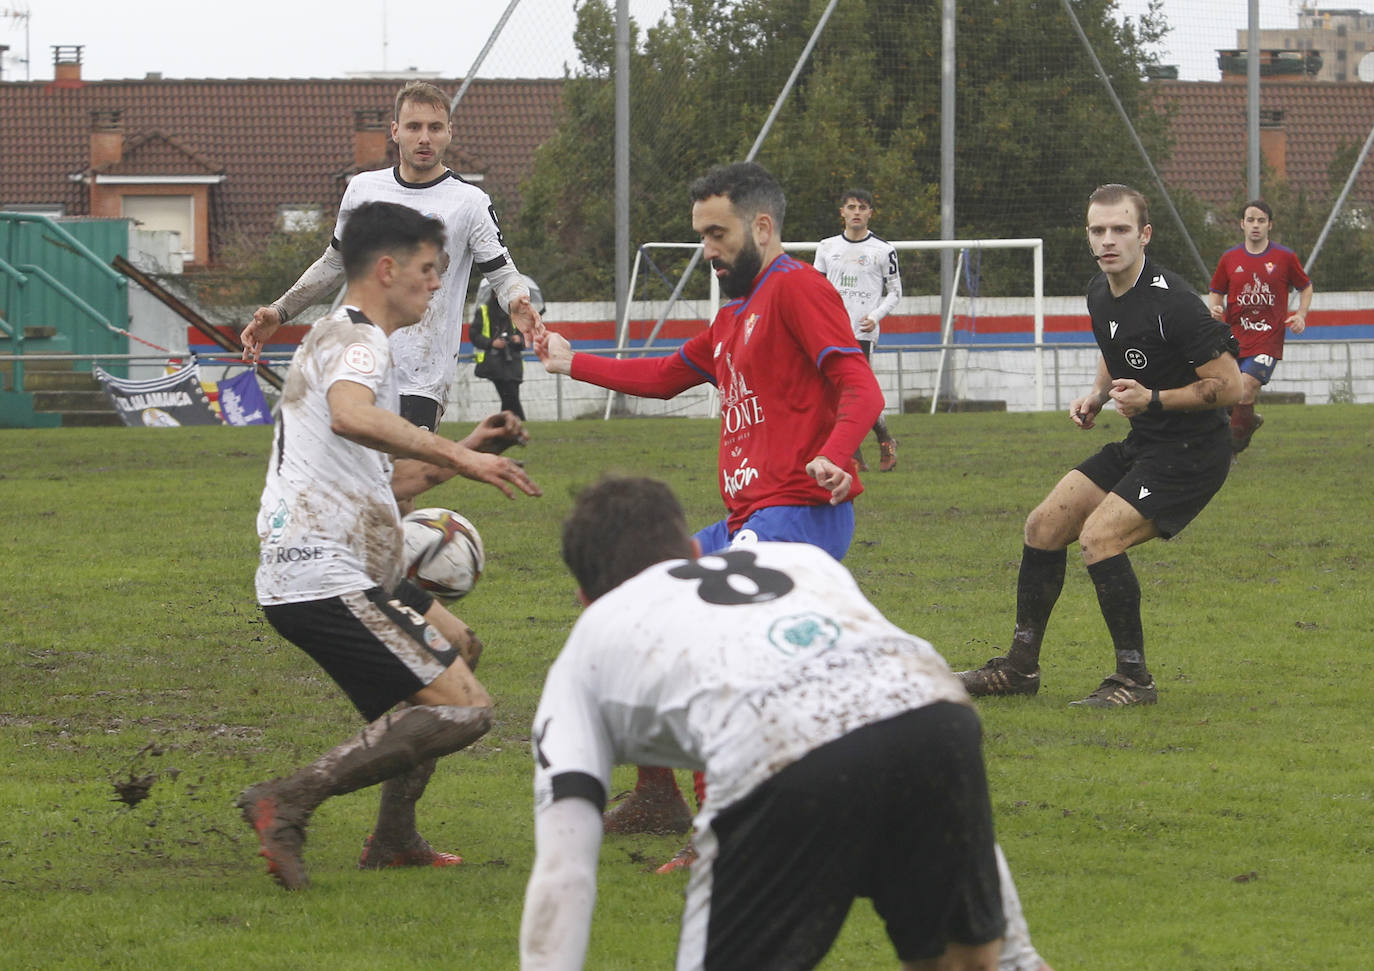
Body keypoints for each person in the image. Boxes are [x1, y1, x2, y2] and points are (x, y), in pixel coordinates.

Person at [520, 476, 1051, 971]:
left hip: (782, 752)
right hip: (935, 714)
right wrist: (1016, 951)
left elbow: (564, 870)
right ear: (693, 548)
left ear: (585, 597)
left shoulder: (584, 648)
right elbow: (887, 710)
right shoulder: (798, 560)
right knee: (971, 960)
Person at [534, 160, 884, 838]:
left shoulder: (798, 289)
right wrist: (568, 360)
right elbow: (667, 375)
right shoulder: (735, 315)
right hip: (749, 517)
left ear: (761, 225)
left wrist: (835, 456)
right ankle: (659, 796)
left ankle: (720, 828)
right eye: (701, 235)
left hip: (798, 516)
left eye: (717, 234)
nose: (708, 250)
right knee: (630, 597)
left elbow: (860, 386)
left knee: (707, 640)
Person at [236, 201, 542, 891]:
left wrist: (464, 448)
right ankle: (287, 799)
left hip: (332, 564)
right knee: (464, 707)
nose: (438, 284)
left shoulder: (333, 335)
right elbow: (350, 416)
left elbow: (385, 479)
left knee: (459, 646)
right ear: (386, 268)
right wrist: (465, 466)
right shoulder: (360, 342)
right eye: (429, 270)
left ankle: (395, 838)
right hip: (322, 573)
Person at [958, 184, 1241, 708]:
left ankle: (1135, 680)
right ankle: (1020, 669)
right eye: (1098, 230)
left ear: (1144, 234)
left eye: (1120, 229)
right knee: (1044, 525)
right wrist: (1097, 394)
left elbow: (1230, 387)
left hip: (1193, 454)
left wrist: (1153, 397)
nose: (1108, 240)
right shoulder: (1099, 291)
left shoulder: (1174, 303)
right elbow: (1116, 350)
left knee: (1098, 539)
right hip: (1146, 441)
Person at [239, 80, 543, 432]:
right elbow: (335, 262)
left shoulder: (469, 201)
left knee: (400, 482)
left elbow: (503, 274)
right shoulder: (363, 189)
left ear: (449, 133)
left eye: (435, 127)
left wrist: (517, 301)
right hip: (357, 365)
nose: (424, 137)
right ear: (395, 131)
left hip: (420, 378)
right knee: (351, 482)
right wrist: (280, 311)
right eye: (414, 127)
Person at [1206, 199, 1313, 453]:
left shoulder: (1284, 257)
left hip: (1267, 338)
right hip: (1234, 338)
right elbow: (1216, 290)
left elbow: (1305, 286)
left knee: (1245, 388)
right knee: (1228, 392)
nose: (1256, 225)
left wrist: (1301, 314)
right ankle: (1247, 422)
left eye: (1261, 220)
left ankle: (1231, 450)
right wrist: (1215, 308)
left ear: (1270, 225)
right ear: (1242, 224)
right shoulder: (1230, 258)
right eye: (1251, 220)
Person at [813, 187, 902, 471]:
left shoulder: (883, 250)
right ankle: (853, 452)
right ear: (842, 212)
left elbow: (895, 292)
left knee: (860, 392)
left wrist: (875, 316)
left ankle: (885, 440)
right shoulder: (826, 247)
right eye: (851, 207)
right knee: (832, 393)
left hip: (861, 332)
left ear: (870, 214)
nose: (856, 213)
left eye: (862, 208)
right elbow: (816, 289)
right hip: (830, 331)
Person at [471, 275, 543, 420]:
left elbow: (529, 334)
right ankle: (520, 423)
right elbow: (474, 335)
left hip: (513, 361)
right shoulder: (484, 311)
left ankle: (506, 426)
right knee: (509, 396)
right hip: (494, 362)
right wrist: (492, 343)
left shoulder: (517, 312)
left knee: (509, 398)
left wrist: (519, 339)